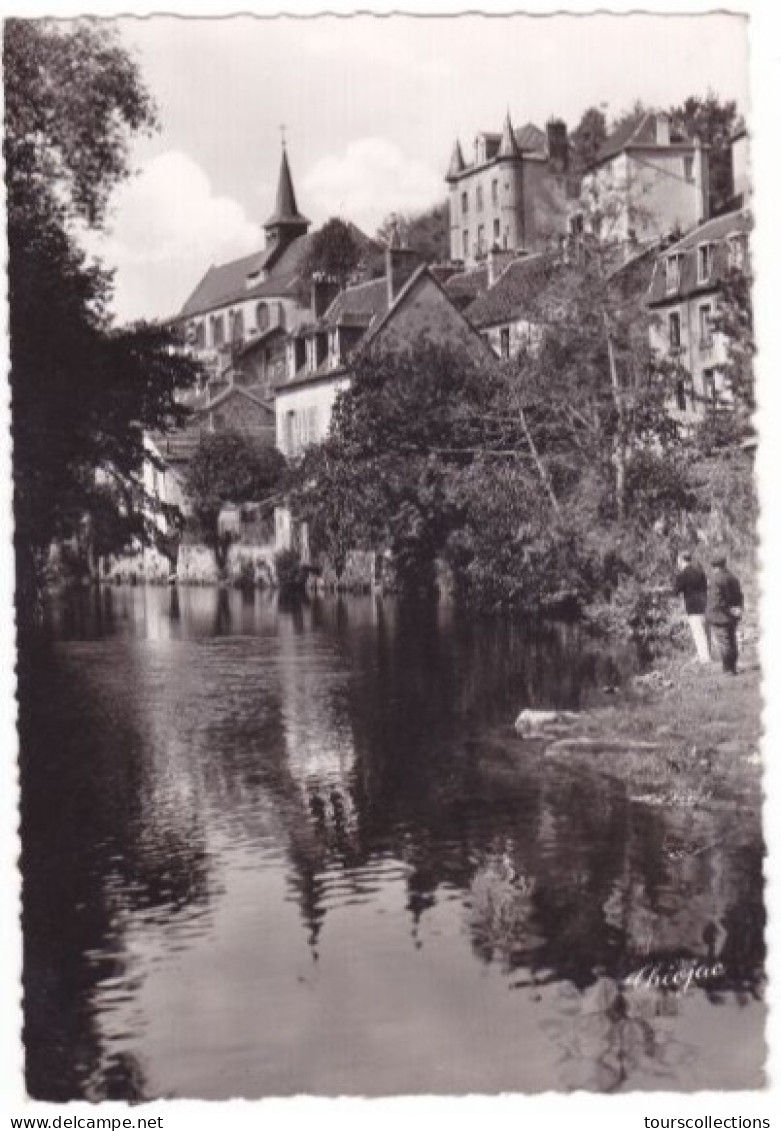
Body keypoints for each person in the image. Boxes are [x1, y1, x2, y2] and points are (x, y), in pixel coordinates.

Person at [706, 552, 744, 675]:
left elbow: (717, 601)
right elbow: (740, 596)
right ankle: (733, 668)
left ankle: (728, 670)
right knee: (732, 641)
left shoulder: (715, 579)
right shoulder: (733, 577)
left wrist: (725, 610)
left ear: (714, 566)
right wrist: (738, 609)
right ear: (724, 564)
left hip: (719, 615)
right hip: (733, 614)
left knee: (724, 643)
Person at [674, 550, 711, 663]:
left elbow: (676, 591)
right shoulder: (700, 572)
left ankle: (705, 659)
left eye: (678, 561)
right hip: (705, 604)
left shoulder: (682, 574)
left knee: (698, 633)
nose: (677, 563)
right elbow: (706, 587)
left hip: (693, 607)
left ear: (681, 560)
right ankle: (707, 656)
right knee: (706, 632)